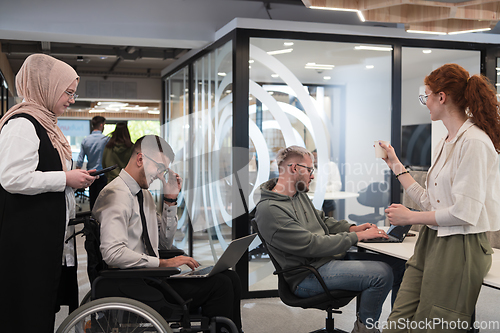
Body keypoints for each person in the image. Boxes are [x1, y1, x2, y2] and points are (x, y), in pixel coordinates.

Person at [380, 63, 500, 333]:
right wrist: (396, 165)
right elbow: (429, 201)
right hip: (432, 239)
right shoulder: (446, 142)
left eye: (426, 96)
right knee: (397, 322)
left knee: (433, 325)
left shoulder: (475, 143)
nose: (426, 103)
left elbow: (463, 213)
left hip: (461, 246)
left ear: (441, 97)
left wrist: (411, 217)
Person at [93, 135, 243, 333]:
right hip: (133, 282)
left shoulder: (142, 194)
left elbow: (163, 243)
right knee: (220, 285)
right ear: (140, 160)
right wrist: (163, 263)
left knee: (229, 277)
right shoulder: (115, 194)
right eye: (160, 168)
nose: (160, 175)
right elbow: (113, 253)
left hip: (150, 276)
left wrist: (170, 199)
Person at [253, 145, 406, 333]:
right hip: (307, 275)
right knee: (380, 273)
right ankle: (366, 329)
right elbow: (312, 244)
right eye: (310, 169)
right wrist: (356, 236)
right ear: (294, 168)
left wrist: (352, 228)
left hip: (326, 262)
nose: (312, 175)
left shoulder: (297, 196)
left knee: (398, 266)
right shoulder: (270, 209)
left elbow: (323, 221)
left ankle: (399, 328)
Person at [0, 54, 96, 333]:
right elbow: (12, 178)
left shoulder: (44, 123)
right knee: (25, 312)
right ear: (46, 86)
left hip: (41, 238)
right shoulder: (22, 124)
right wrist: (66, 177)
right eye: (68, 92)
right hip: (26, 241)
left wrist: (71, 180)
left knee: (40, 308)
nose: (72, 99)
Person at [76, 115, 109, 210]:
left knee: (93, 201)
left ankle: (92, 221)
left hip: (90, 175)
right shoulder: (106, 140)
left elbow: (80, 159)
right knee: (103, 201)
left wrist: (77, 172)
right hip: (103, 175)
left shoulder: (86, 140)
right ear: (102, 125)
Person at [309, 149, 342, 217]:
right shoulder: (310, 167)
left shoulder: (331, 166)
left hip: (327, 198)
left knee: (329, 204)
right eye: (313, 158)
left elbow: (337, 185)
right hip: (312, 197)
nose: (314, 160)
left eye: (316, 158)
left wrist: (322, 190)